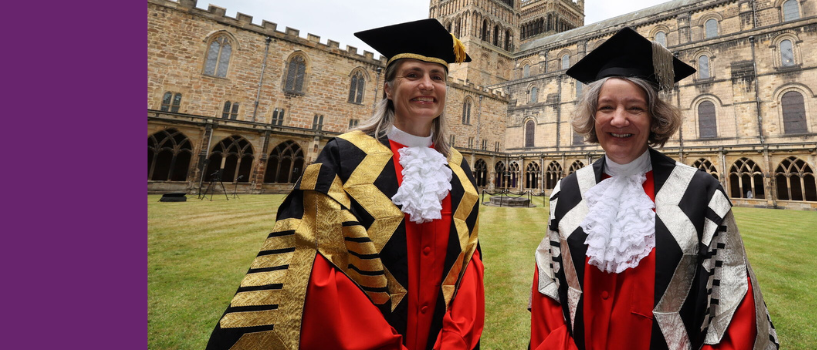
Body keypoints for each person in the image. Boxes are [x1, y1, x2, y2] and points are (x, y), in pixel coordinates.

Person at [206, 19, 484, 350]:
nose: (427, 85)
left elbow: (469, 264)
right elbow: (318, 263)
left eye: (437, 77)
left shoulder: (459, 169)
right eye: (413, 75)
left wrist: (454, 341)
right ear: (389, 88)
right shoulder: (344, 155)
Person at [529, 28, 779, 350]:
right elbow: (547, 286)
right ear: (593, 117)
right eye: (606, 107)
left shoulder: (699, 193)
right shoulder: (568, 191)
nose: (619, 120)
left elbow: (732, 300)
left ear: (654, 117)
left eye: (634, 108)